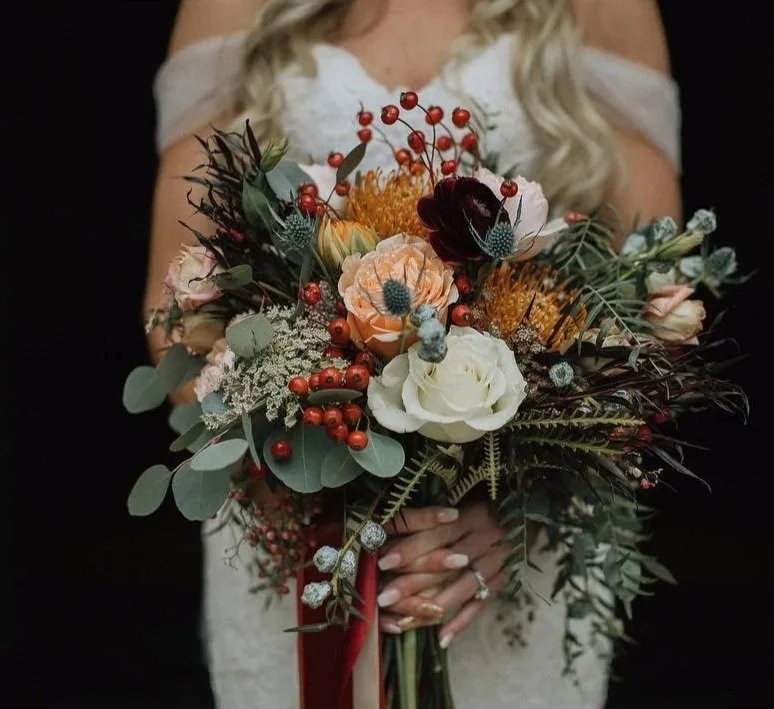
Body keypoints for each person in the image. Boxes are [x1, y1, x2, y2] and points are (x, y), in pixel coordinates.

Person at [144, 0, 681, 707]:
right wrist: (308, 463)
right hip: (302, 539)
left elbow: (650, 306)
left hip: (514, 563)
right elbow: (177, 311)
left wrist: (518, 510)